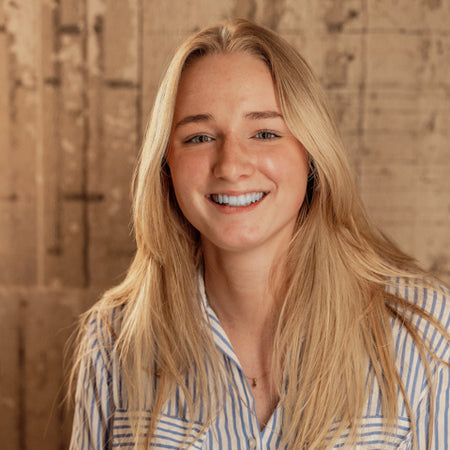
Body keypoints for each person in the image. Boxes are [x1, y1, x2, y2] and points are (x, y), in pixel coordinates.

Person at [69, 18, 449, 449]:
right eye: (199, 137)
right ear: (166, 166)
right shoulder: (113, 341)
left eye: (265, 133)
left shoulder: (423, 334)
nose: (231, 165)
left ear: (312, 155)